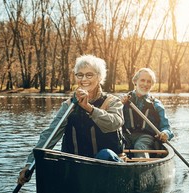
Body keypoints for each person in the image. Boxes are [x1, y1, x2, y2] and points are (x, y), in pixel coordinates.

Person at [18, 54, 124, 185]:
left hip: (105, 166)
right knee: (49, 160)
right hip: (76, 167)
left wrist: (89, 108)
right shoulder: (69, 105)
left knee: (105, 154)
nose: (84, 79)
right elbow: (50, 134)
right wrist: (30, 164)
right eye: (80, 75)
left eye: (89, 75)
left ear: (99, 77)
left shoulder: (112, 101)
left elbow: (114, 123)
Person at [122, 68, 174, 158]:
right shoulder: (123, 100)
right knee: (118, 146)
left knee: (140, 146)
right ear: (135, 81)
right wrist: (120, 104)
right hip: (126, 136)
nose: (145, 84)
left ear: (152, 85)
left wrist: (165, 133)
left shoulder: (156, 104)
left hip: (146, 137)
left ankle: (141, 166)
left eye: (149, 82)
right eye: (142, 80)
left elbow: (167, 128)